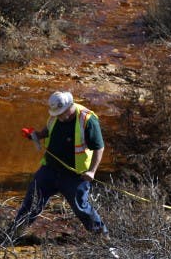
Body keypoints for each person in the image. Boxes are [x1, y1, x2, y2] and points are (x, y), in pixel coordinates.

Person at [11, 91, 107, 236]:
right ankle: (14, 234)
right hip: (49, 169)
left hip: (75, 175)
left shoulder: (87, 120)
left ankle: (102, 236)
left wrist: (92, 171)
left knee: (81, 208)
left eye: (62, 113)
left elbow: (99, 147)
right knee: (32, 201)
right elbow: (47, 131)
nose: (59, 116)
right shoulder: (55, 116)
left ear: (70, 107)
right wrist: (36, 135)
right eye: (56, 114)